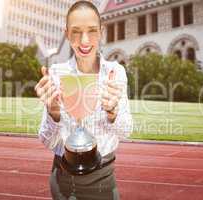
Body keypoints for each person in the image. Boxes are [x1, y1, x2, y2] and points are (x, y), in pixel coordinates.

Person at [35, 1, 133, 199]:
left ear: (101, 32)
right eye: (76, 31)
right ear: (67, 34)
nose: (84, 40)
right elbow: (49, 141)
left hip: (103, 180)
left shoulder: (115, 72)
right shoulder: (56, 74)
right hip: (63, 182)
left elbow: (125, 131)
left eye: (92, 31)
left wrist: (113, 113)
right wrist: (53, 114)